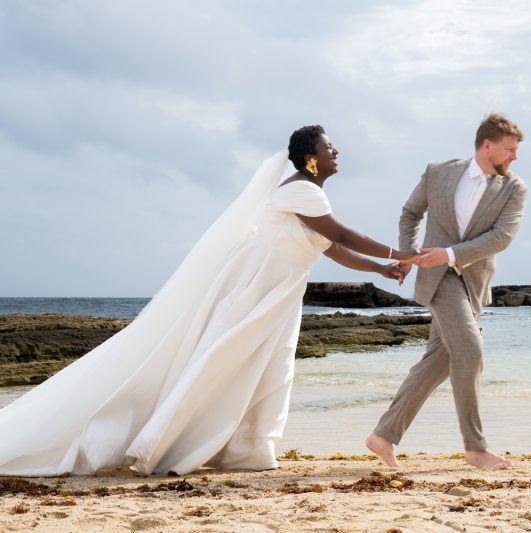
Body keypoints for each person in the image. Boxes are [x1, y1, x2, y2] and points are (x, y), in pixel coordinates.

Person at [0, 125, 416, 476]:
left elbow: (332, 249)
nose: (335, 151)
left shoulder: (312, 196)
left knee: (268, 364)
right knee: (221, 358)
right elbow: (342, 236)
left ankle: (245, 449)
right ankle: (167, 444)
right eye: (328, 146)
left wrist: (380, 270)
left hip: (282, 287)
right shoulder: (299, 192)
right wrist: (400, 255)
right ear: (310, 157)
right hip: (257, 283)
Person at [366, 113, 528, 470]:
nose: (514, 157)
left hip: (473, 281)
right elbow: (411, 213)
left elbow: (501, 237)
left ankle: (383, 436)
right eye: (509, 150)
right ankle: (475, 447)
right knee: (469, 349)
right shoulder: (438, 171)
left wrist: (451, 254)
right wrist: (408, 255)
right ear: (487, 145)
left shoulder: (515, 188)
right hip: (437, 277)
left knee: (440, 361)